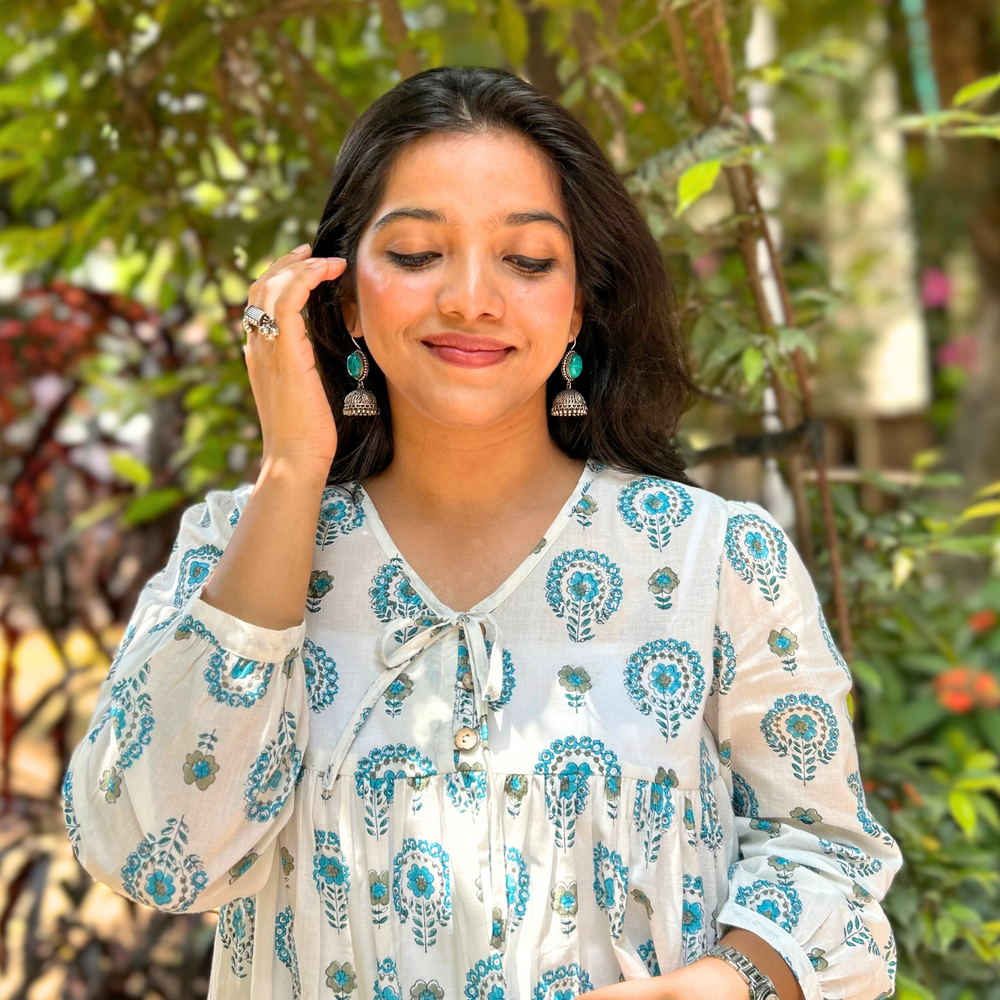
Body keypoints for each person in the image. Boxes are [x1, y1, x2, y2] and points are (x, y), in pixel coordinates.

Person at [63, 66, 901, 1000]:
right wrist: (293, 468)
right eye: (418, 253)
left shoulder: (714, 559)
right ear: (340, 298)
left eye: (528, 261)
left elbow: (831, 862)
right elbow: (158, 861)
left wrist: (714, 986)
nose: (470, 298)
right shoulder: (236, 549)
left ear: (580, 301)